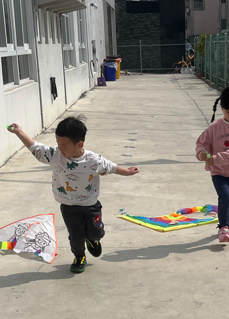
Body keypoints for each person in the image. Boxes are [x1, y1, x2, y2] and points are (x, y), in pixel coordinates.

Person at [8, 117, 139, 273]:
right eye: (58, 143)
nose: (60, 148)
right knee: (75, 236)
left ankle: (92, 239)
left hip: (90, 205)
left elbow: (111, 167)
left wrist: (127, 172)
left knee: (95, 232)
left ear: (80, 144)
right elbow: (35, 147)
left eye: (64, 145)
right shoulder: (55, 155)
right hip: (68, 206)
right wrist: (19, 132)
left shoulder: (93, 160)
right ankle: (79, 257)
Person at [195, 86, 229, 243]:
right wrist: (202, 153)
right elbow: (202, 143)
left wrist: (216, 158)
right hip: (217, 171)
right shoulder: (214, 127)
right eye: (227, 112)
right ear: (221, 108)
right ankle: (223, 228)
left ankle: (228, 225)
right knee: (225, 197)